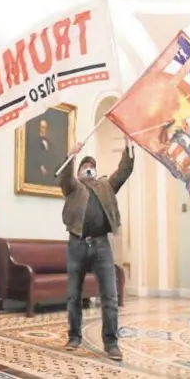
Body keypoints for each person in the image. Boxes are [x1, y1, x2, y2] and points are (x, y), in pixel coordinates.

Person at [58, 139, 134, 361]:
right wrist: (71, 156)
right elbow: (63, 176)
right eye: (85, 166)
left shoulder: (106, 186)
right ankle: (74, 337)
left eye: (92, 166)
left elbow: (124, 171)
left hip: (102, 245)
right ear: (80, 171)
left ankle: (111, 343)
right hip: (77, 244)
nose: (89, 168)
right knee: (73, 295)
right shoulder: (73, 187)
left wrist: (128, 148)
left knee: (109, 296)